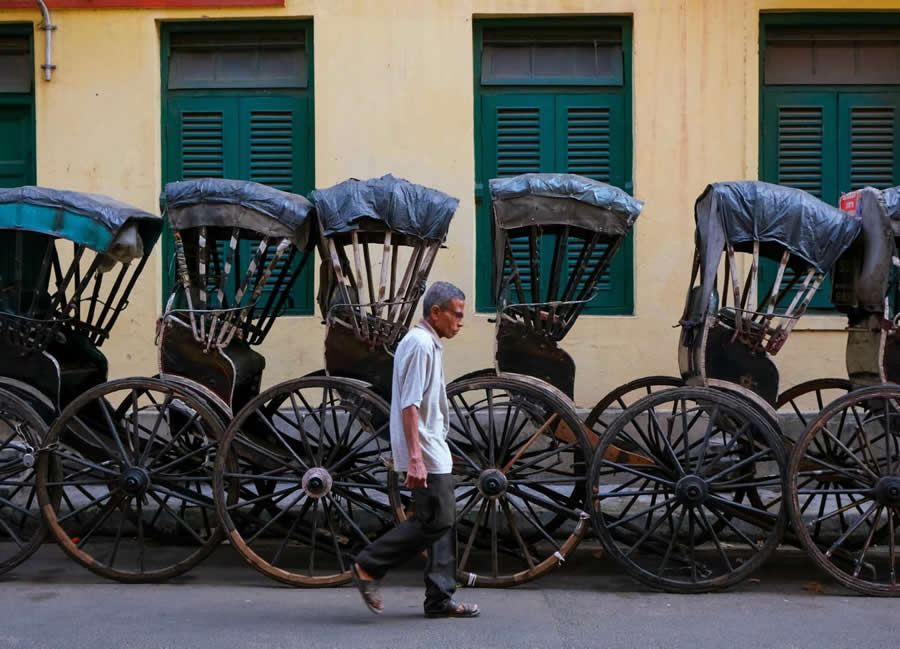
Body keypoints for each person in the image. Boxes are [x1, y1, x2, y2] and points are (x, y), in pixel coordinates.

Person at [351, 281, 479, 619]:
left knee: (441, 521)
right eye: (457, 314)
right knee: (437, 520)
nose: (461, 322)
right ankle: (369, 564)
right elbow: (409, 404)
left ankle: (439, 598)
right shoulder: (421, 344)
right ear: (436, 312)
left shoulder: (427, 343)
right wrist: (416, 459)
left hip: (433, 446)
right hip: (425, 450)